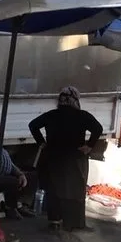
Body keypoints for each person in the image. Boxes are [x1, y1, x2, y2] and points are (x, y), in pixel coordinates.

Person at [29, 86, 103, 233]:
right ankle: (74, 222)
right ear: (75, 100)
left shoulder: (51, 115)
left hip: (54, 158)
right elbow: (98, 128)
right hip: (74, 159)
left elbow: (33, 125)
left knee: (54, 190)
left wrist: (41, 142)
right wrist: (89, 146)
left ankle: (54, 222)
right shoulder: (82, 115)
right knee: (75, 190)